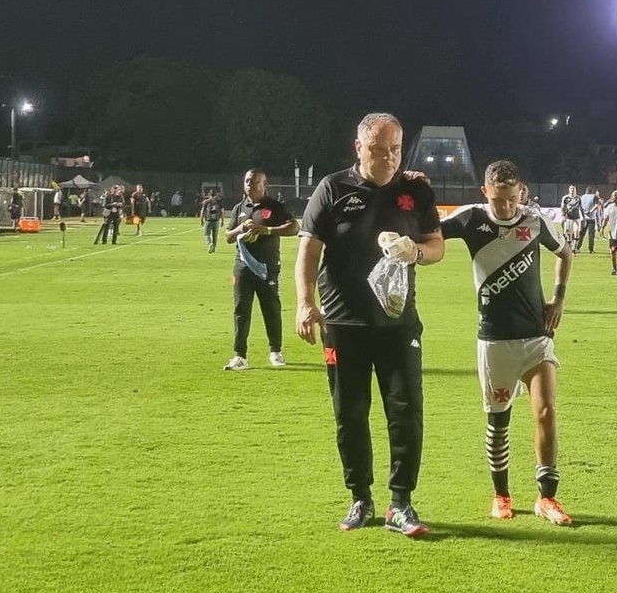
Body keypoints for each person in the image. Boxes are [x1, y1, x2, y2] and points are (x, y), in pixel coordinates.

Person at [295, 112, 444, 537]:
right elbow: (309, 250)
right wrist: (305, 303)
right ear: (358, 147)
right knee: (350, 413)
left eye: (395, 149)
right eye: (379, 150)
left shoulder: (416, 190)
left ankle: (401, 503)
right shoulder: (332, 188)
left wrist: (415, 252)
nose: (389, 158)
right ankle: (360, 497)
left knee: (406, 411)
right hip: (343, 322)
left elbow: (437, 246)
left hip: (398, 323)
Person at [441, 160, 574, 525]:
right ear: (485, 192)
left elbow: (565, 253)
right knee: (498, 422)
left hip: (536, 336)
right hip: (495, 340)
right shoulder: (470, 219)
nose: (506, 207)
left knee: (546, 412)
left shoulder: (535, 221)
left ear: (521, 192)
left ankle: (547, 498)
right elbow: (428, 233)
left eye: (512, 199)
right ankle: (501, 494)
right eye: (498, 199)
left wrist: (559, 298)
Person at [223, 169, 299, 370]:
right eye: (247, 181)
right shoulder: (240, 208)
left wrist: (267, 230)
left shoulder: (275, 207)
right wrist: (241, 228)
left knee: (271, 308)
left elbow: (294, 227)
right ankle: (240, 355)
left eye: (255, 181)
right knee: (241, 309)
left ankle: (276, 351)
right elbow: (228, 237)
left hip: (267, 267)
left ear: (264, 184)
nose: (250, 184)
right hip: (242, 266)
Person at [577, 186, 600, 254]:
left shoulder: (582, 197)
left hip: (584, 218)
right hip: (591, 218)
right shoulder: (595, 196)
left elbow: (580, 206)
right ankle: (591, 249)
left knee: (581, 234)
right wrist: (590, 211)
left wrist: (584, 212)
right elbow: (596, 206)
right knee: (591, 235)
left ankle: (577, 248)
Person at [200, 188, 224, 253]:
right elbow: (222, 211)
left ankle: (210, 244)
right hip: (216, 220)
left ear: (209, 194)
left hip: (208, 220)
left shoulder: (206, 201)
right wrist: (222, 220)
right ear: (216, 194)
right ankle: (214, 248)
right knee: (215, 235)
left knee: (206, 234)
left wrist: (201, 219)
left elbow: (202, 211)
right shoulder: (219, 201)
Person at [560, 186, 582, 254]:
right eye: (571, 189)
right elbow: (562, 207)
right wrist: (563, 215)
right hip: (569, 218)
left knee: (576, 232)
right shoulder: (565, 198)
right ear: (569, 190)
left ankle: (574, 249)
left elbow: (581, 208)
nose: (572, 190)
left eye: (574, 189)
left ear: (576, 190)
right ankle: (569, 248)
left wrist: (583, 217)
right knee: (569, 235)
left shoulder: (578, 198)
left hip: (577, 218)